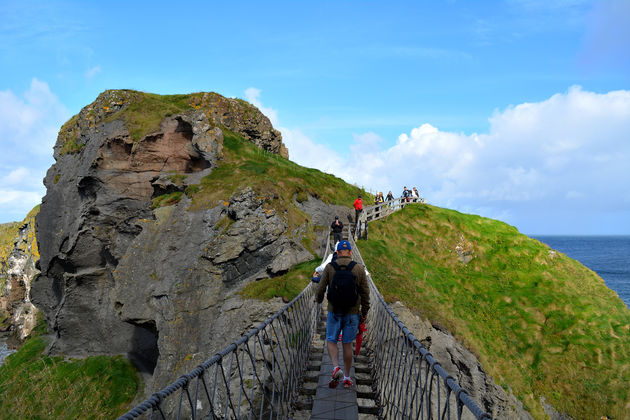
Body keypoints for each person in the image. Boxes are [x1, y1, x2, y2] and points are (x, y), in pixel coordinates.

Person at [315, 240, 370, 389]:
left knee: (331, 340)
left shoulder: (329, 267)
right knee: (347, 344)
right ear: (351, 252)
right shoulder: (359, 268)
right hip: (352, 314)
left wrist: (318, 300)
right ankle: (346, 378)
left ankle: (335, 367)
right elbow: (365, 294)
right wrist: (364, 314)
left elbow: (321, 288)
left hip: (334, 311)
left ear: (337, 253)